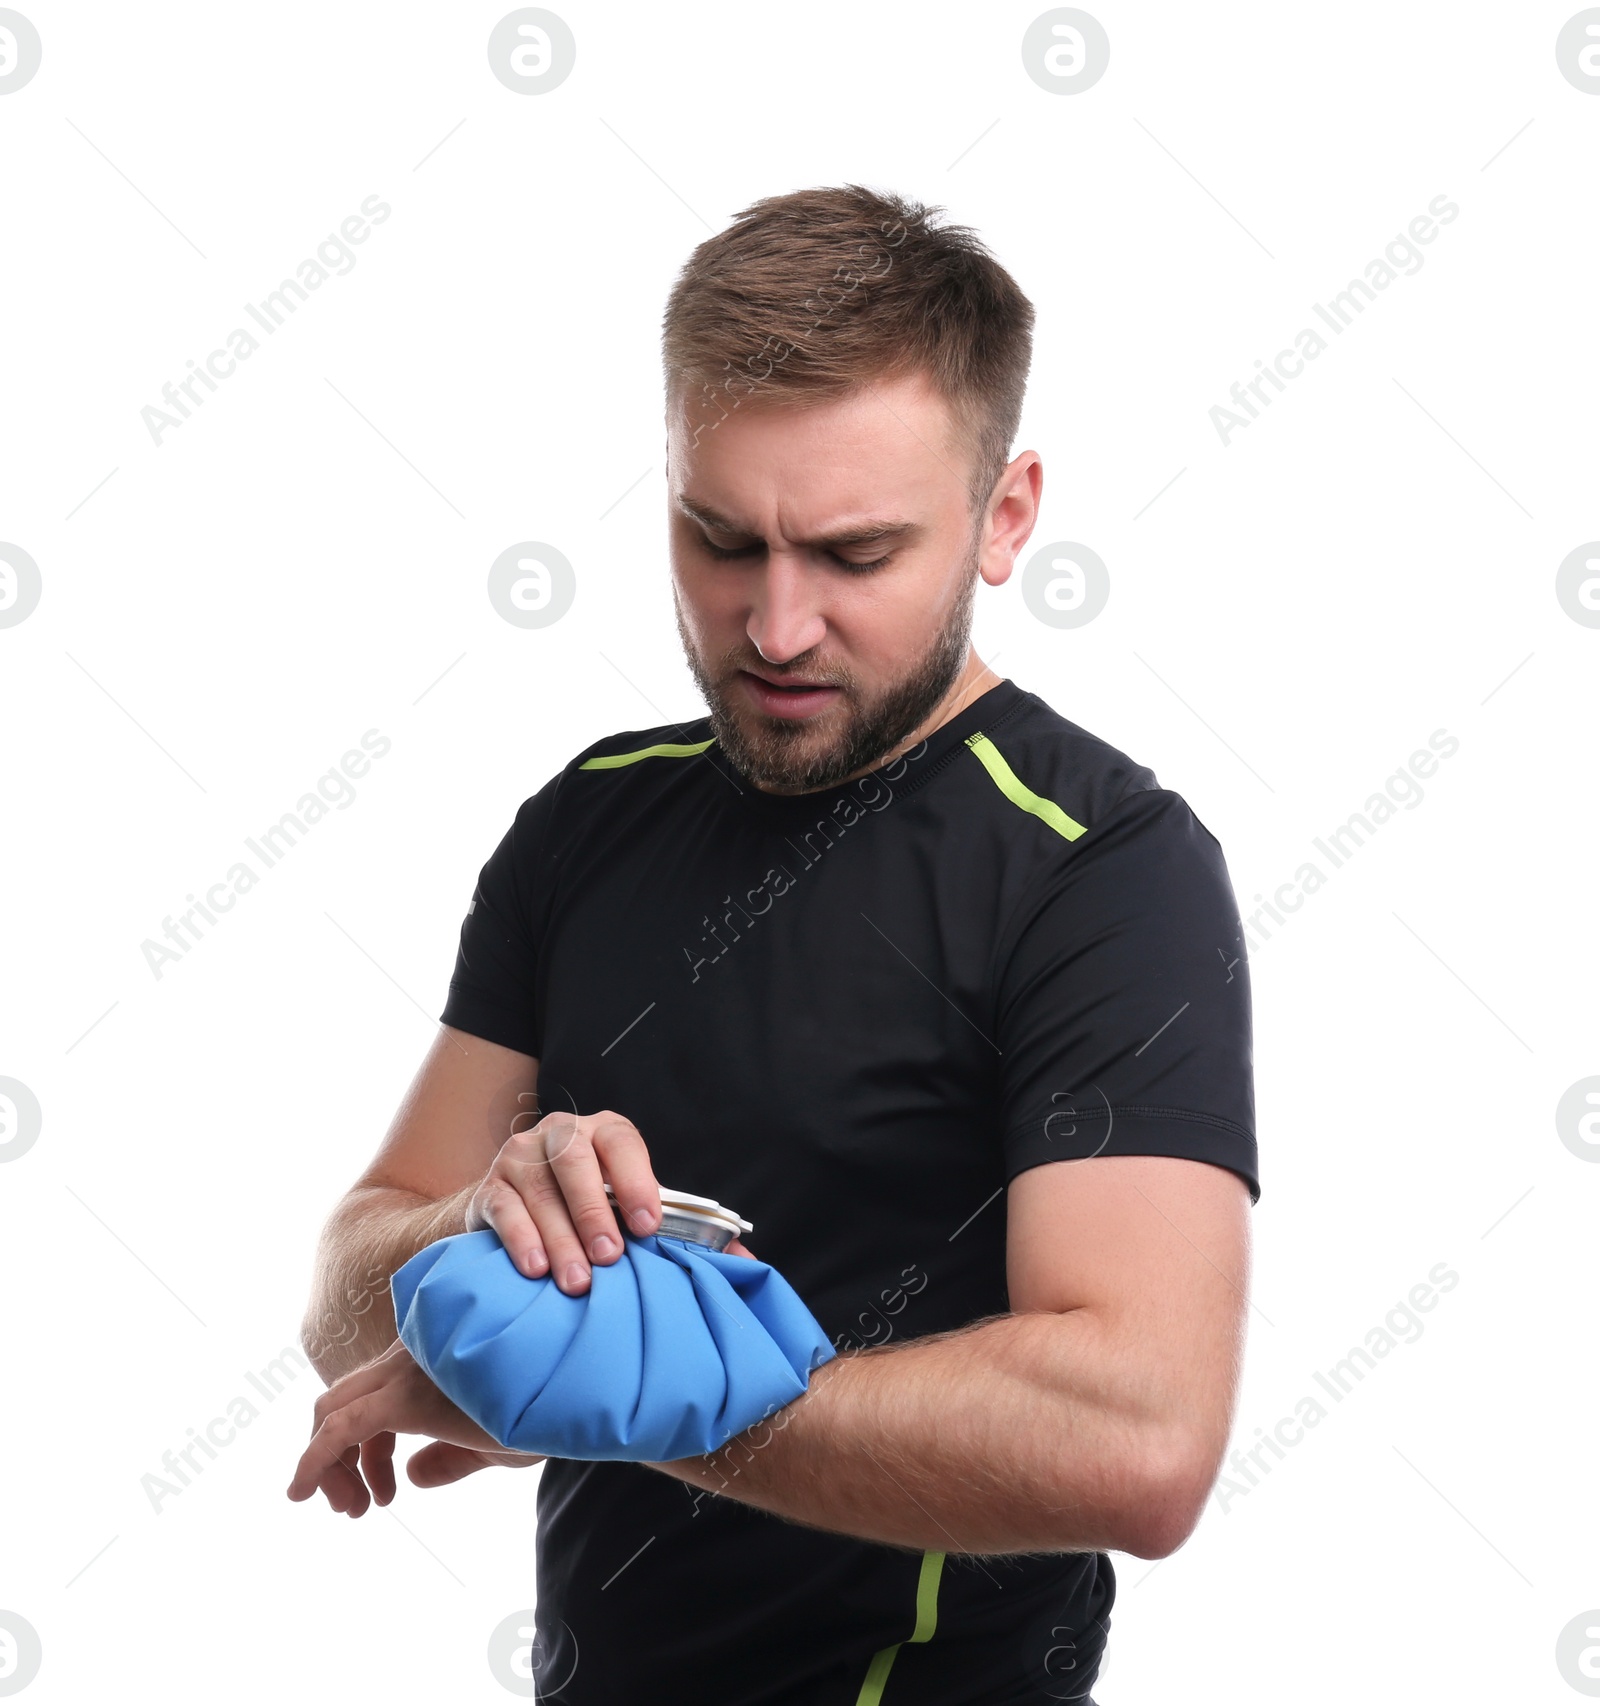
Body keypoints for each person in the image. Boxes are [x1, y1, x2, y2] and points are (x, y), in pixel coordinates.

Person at [287, 183, 1259, 1706]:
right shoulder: (587, 821)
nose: (777, 625)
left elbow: (1137, 1440)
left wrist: (605, 1385)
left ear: (1005, 519)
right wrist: (476, 1228)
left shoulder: (1105, 869)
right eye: (720, 537)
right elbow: (347, 1289)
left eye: (856, 555)